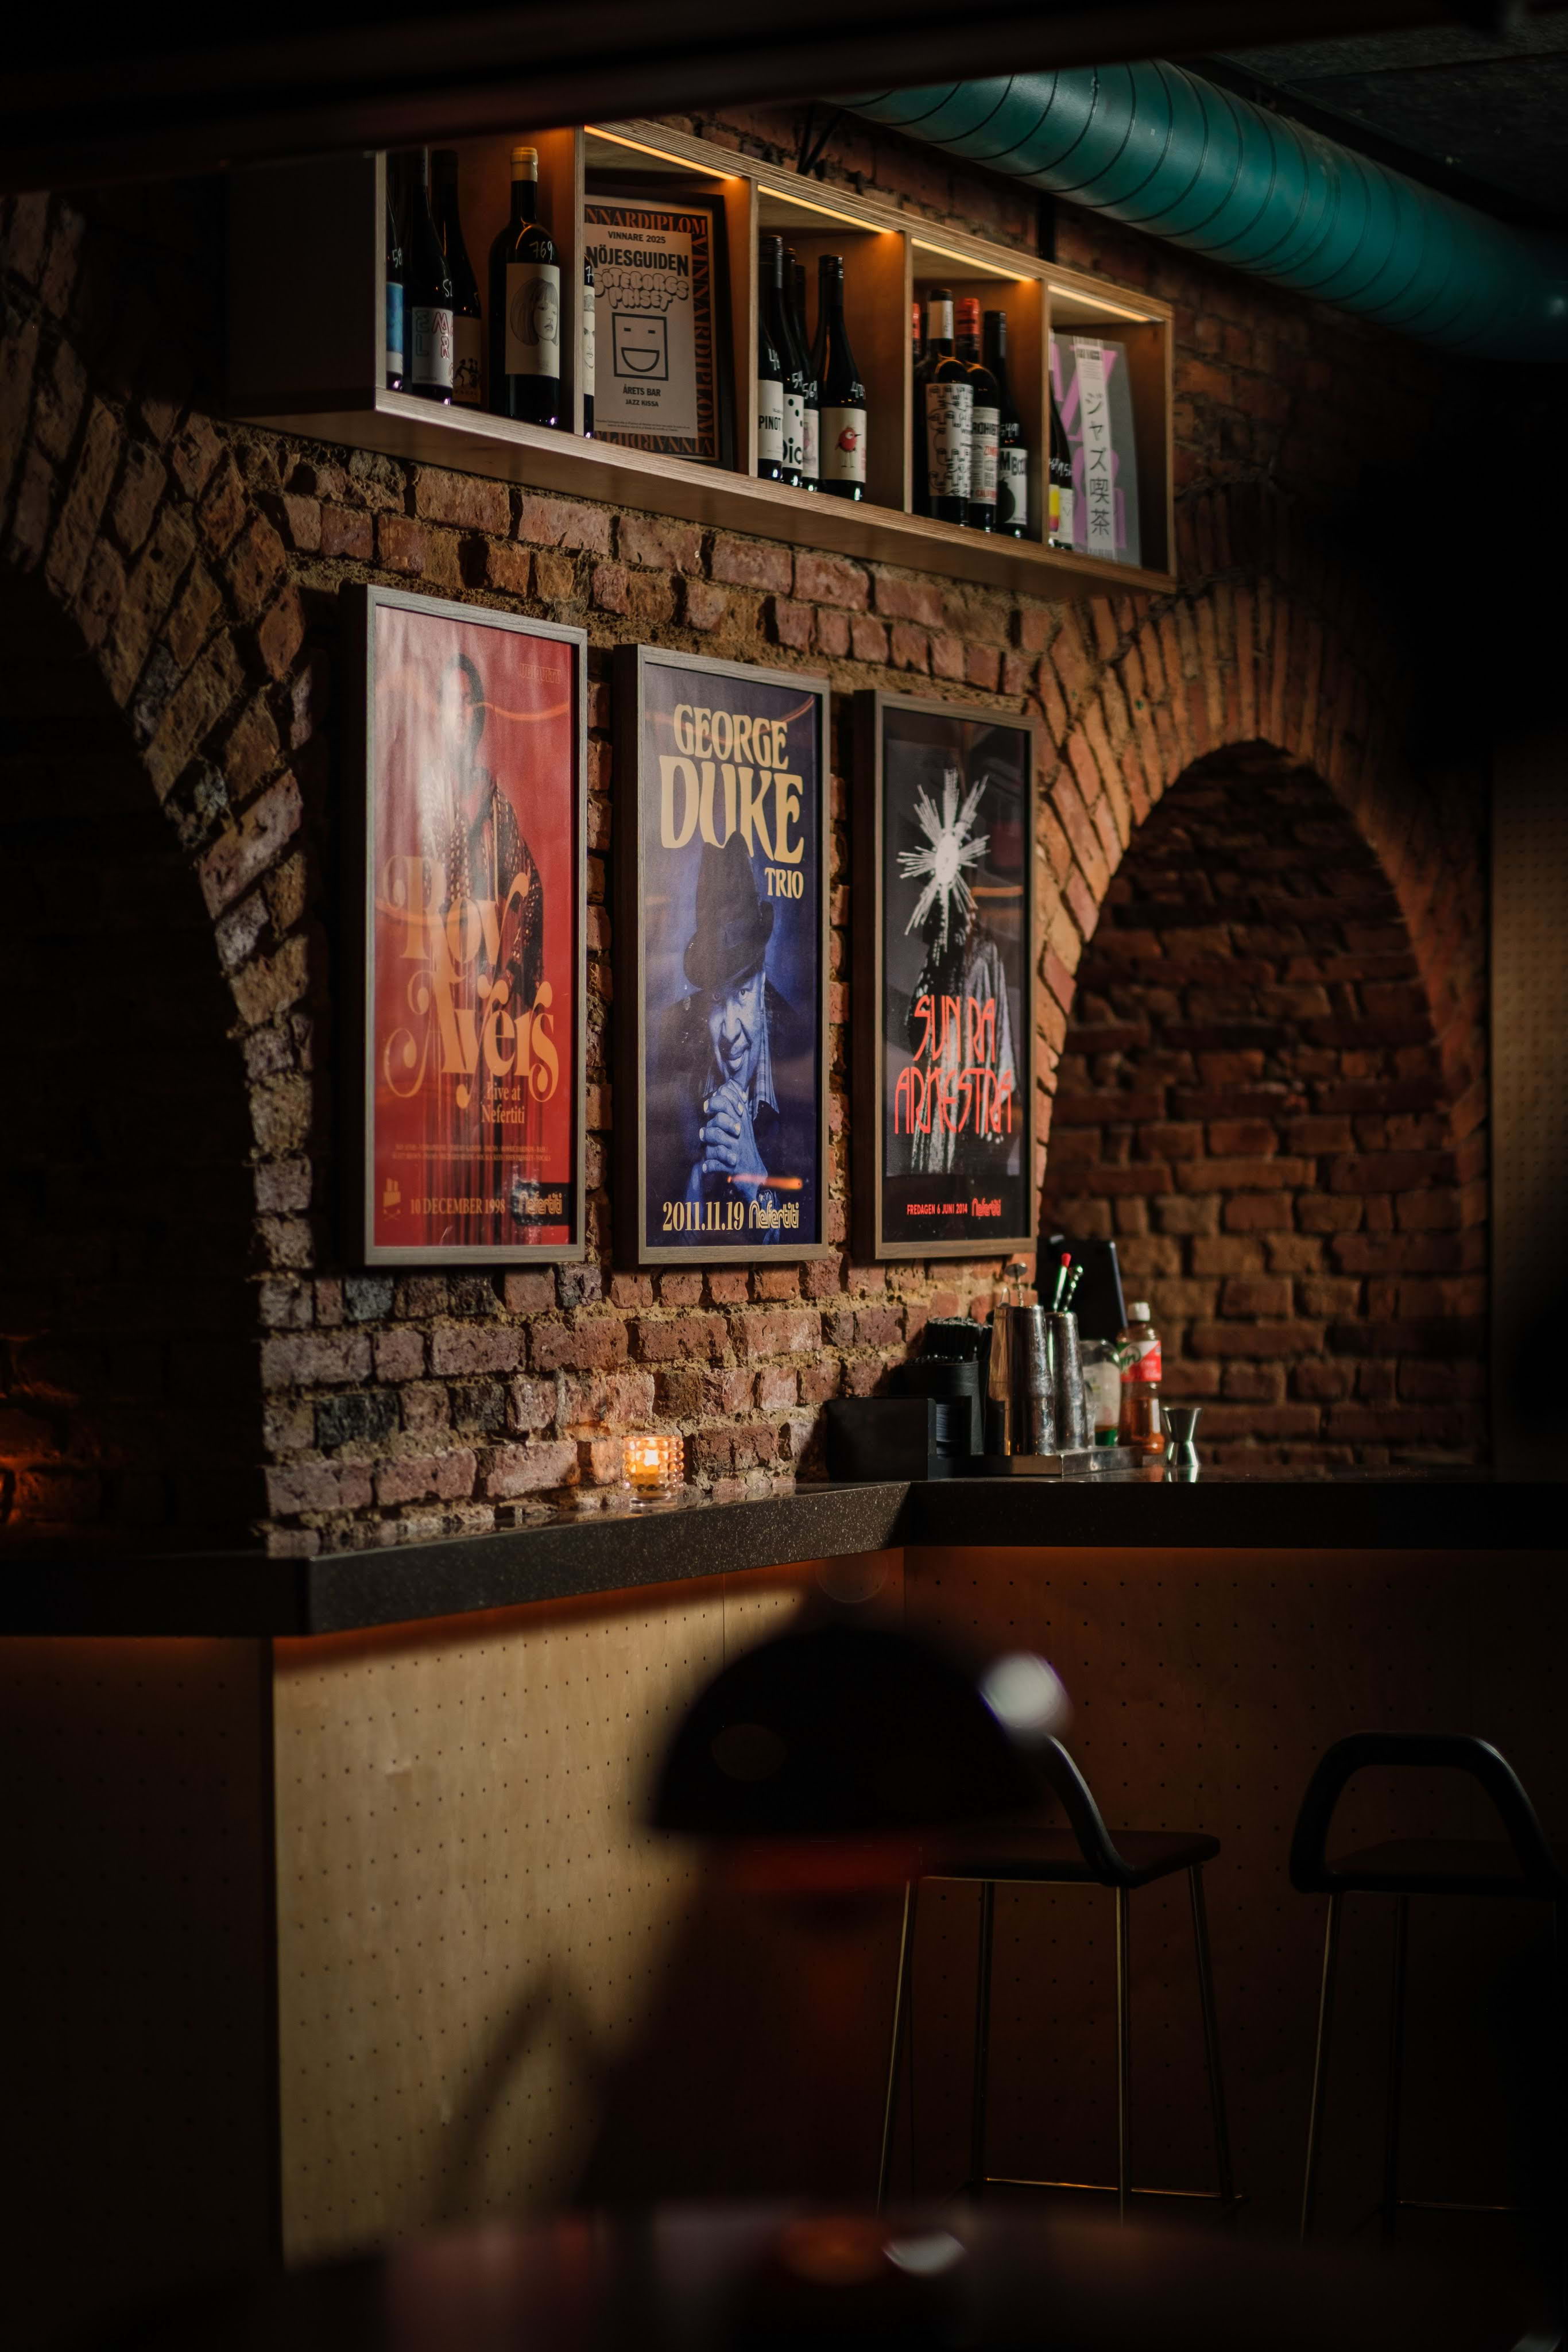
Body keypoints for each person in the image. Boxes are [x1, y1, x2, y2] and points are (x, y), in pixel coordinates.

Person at [648, 830, 815, 1246]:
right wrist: (693, 1188)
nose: (729, 1031)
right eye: (716, 1000)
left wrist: (755, 1179)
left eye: (741, 994)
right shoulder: (670, 1040)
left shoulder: (803, 1051)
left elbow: (810, 1238)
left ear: (762, 981)